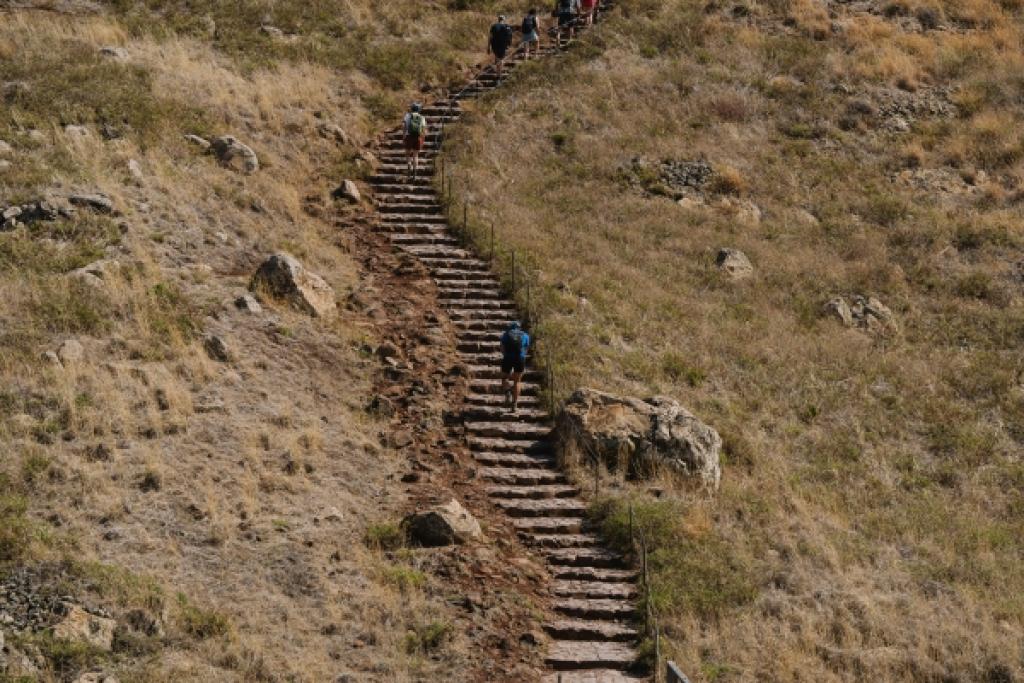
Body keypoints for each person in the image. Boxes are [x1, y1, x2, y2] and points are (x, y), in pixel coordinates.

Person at [500, 321, 530, 413]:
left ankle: (508, 391)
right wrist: (522, 356)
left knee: (504, 378)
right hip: (520, 359)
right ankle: (514, 404)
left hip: (508, 358)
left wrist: (506, 355)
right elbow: (526, 348)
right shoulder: (525, 335)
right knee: (517, 381)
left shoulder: (506, 334)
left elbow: (502, 347)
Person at [401, 103, 428, 179]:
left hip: (409, 136)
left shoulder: (407, 116)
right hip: (418, 137)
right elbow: (424, 130)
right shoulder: (422, 117)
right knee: (415, 155)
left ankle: (409, 164)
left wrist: (403, 137)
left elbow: (403, 126)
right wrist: (423, 138)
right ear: (419, 109)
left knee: (407, 153)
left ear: (412, 109)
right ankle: (415, 172)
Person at [488, 14, 514, 79]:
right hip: (502, 45)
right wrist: (509, 44)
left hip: (494, 45)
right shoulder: (506, 26)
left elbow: (490, 37)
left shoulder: (493, 26)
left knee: (497, 57)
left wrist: (488, 47)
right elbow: (510, 36)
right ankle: (499, 74)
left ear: (498, 19)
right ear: (504, 20)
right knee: (501, 59)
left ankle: (497, 72)